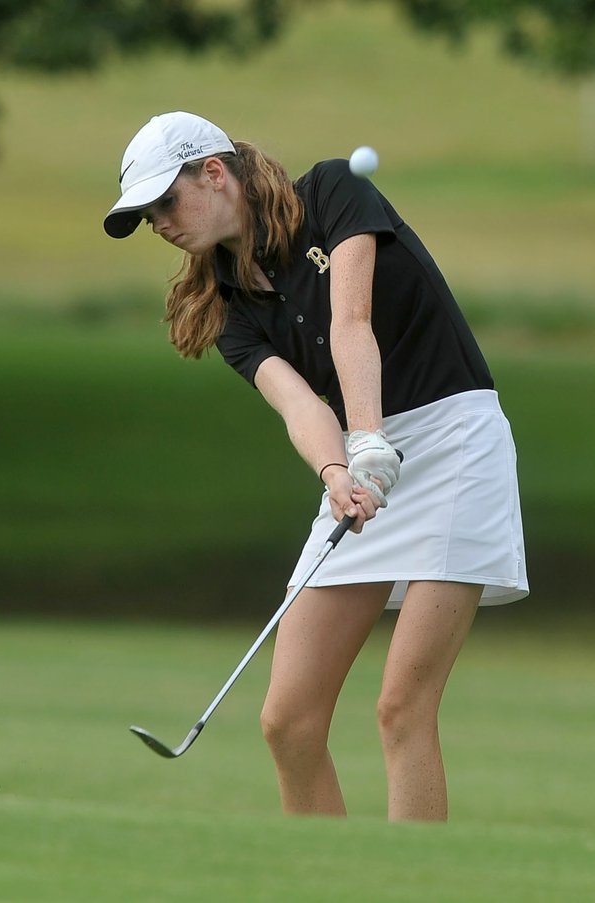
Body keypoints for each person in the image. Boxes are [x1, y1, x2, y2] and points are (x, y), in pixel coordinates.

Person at [104, 111, 528, 821]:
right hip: (359, 458)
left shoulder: (333, 192)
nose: (159, 223)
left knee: (401, 705)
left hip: (455, 439)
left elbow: (350, 323)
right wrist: (339, 473)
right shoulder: (229, 311)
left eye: (164, 202)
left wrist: (366, 439)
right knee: (288, 720)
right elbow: (301, 407)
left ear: (215, 173)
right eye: (146, 216)